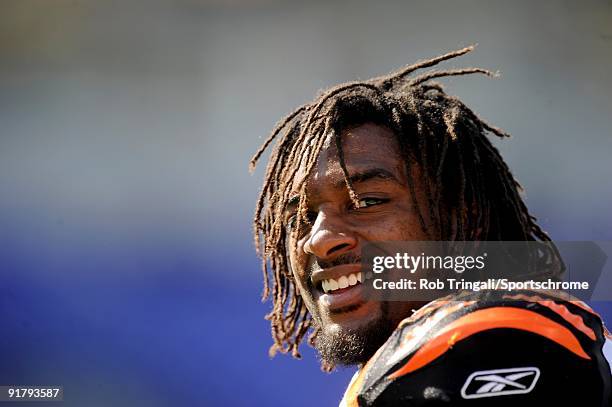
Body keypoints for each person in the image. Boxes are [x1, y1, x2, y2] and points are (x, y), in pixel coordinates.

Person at [249, 46, 611, 405]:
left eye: (367, 202)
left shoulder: (500, 342)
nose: (319, 239)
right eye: (302, 218)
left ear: (462, 218)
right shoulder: (409, 373)